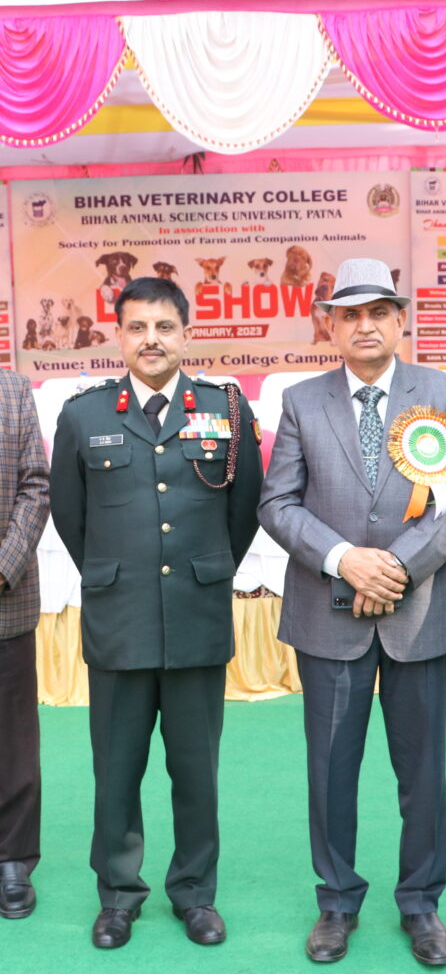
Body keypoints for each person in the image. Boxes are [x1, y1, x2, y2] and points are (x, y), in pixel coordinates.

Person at [258, 258, 446, 967]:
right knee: (331, 771)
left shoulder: (442, 392)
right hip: (329, 615)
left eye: (378, 312)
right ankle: (336, 902)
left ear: (400, 320)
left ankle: (421, 904)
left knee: (423, 772)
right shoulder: (301, 401)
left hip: (422, 613)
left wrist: (396, 568)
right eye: (349, 314)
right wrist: (344, 559)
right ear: (330, 325)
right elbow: (277, 503)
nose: (364, 326)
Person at [50, 277, 263, 950]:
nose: (151, 340)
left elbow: (243, 512)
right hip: (120, 621)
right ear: (118, 336)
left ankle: (195, 894)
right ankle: (118, 896)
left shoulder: (225, 409)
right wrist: (117, 573)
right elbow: (71, 518)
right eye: (137, 327)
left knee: (196, 772)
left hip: (197, 618)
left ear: (185, 334)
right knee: (116, 770)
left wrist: (204, 571)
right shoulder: (83, 414)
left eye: (164, 327)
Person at [0, 370, 50, 919]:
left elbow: (36, 486)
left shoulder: (13, 392)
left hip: (4, 599)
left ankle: (12, 859)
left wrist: (3, 568)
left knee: (12, 741)